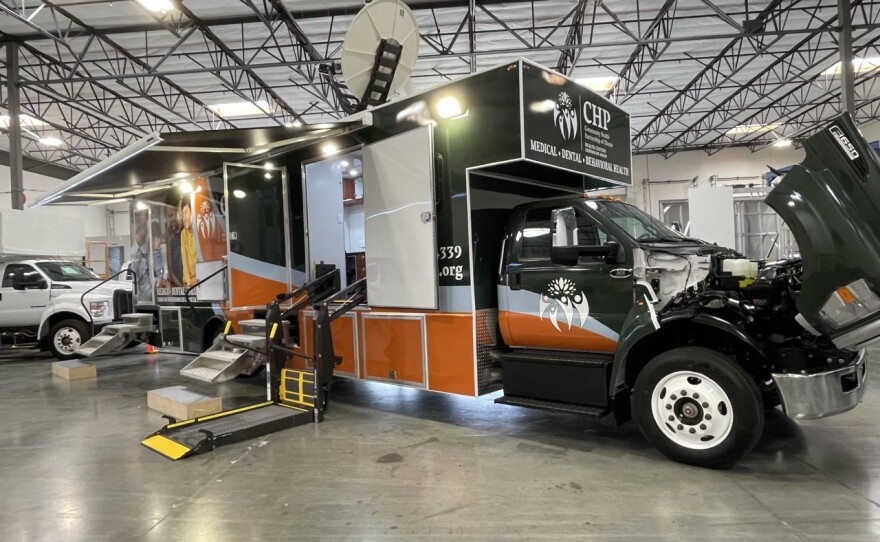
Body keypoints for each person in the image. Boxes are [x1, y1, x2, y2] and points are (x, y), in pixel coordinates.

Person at [131, 211, 152, 302]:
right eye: (138, 230)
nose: (142, 232)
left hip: (155, 294)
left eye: (144, 229)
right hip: (144, 298)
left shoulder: (150, 251)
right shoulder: (134, 257)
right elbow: (135, 282)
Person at [180, 201, 197, 286]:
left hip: (202, 278)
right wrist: (188, 283)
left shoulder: (199, 230)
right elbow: (184, 260)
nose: (184, 217)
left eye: (186, 212)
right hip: (190, 281)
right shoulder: (183, 233)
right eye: (183, 214)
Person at [166, 208, 183, 287]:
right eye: (168, 217)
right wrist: (182, 288)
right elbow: (170, 271)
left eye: (172, 215)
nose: (170, 219)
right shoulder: (170, 237)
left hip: (190, 283)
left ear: (178, 213)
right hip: (178, 285)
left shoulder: (185, 232)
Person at [151, 220, 169, 290]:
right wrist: (158, 281)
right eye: (156, 238)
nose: (159, 240)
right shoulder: (149, 256)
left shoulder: (162, 251)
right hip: (156, 286)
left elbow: (166, 266)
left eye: (159, 237)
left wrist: (164, 278)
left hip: (163, 284)